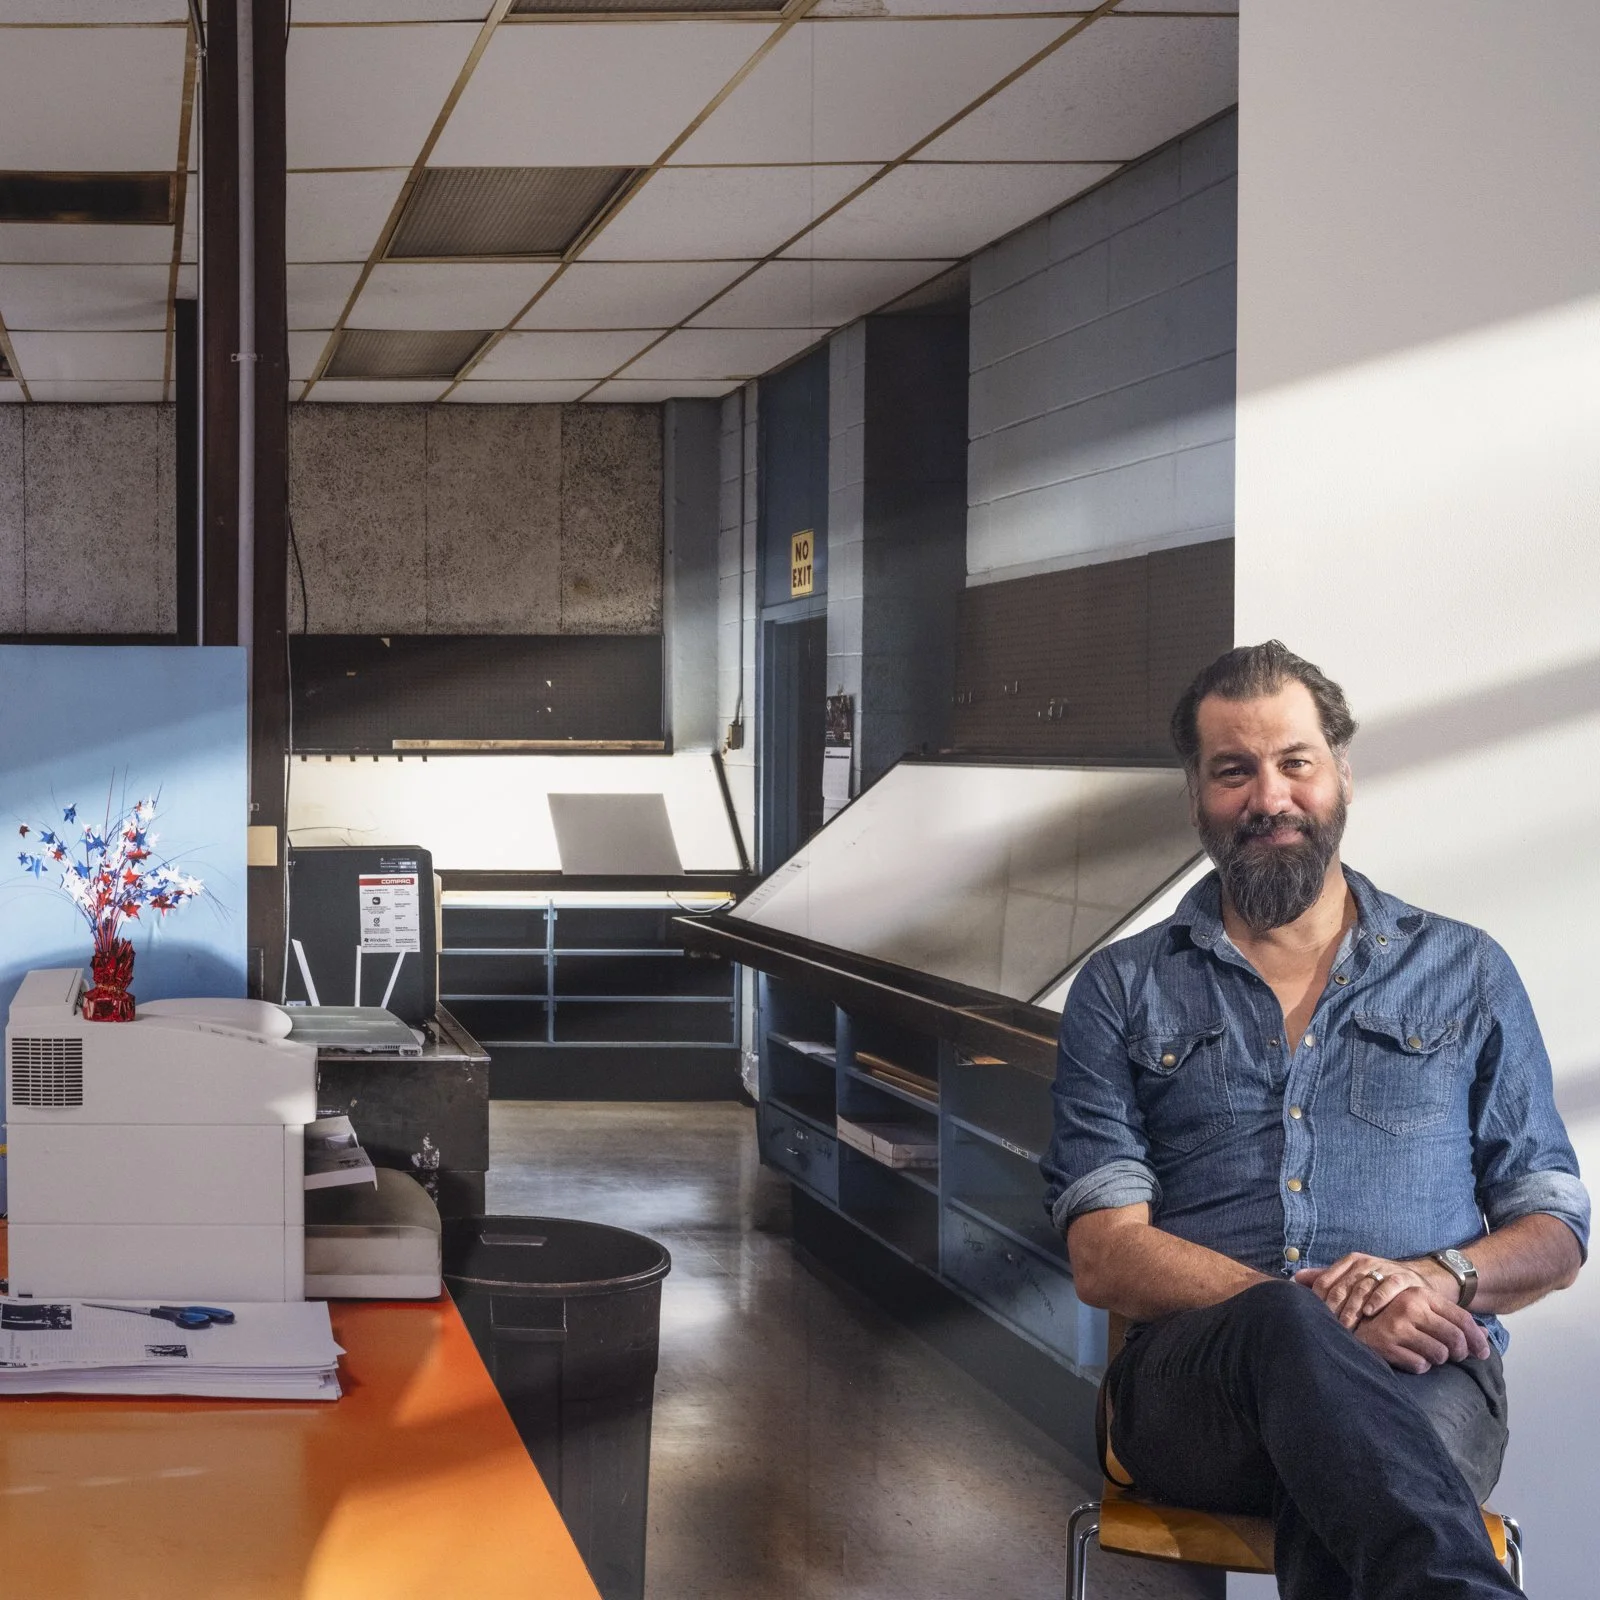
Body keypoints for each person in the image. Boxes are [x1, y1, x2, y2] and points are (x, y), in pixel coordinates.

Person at [1041, 640, 1588, 1600]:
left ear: (1341, 773)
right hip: (1197, 1385)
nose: (1270, 797)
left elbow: (1555, 1229)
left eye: (1295, 762)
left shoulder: (1466, 971)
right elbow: (1104, 1255)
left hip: (1428, 1371)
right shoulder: (1122, 987)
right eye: (1233, 771)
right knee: (1300, 1352)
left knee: (1358, 1468)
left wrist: (1434, 1279)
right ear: (1197, 794)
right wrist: (1318, 1318)